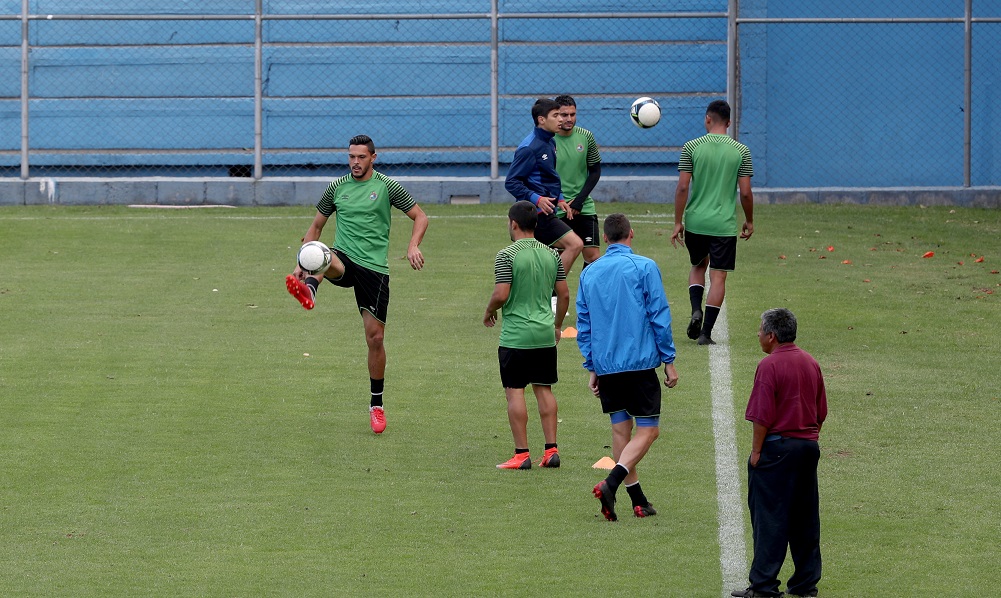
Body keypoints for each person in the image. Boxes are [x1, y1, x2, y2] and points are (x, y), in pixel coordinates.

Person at [285, 134, 429, 435]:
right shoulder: (337, 187)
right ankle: (310, 290)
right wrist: (301, 262)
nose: (355, 162)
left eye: (361, 157)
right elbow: (316, 227)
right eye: (351, 156)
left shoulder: (387, 186)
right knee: (321, 253)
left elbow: (420, 217)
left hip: (374, 269)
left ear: (373, 157)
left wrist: (413, 245)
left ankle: (376, 404)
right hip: (343, 258)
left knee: (375, 338)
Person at [576, 214, 679, 521]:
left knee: (621, 431)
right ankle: (611, 482)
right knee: (649, 430)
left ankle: (638, 501)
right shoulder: (644, 266)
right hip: (639, 364)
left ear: (605, 238)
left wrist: (592, 366)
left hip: (607, 367)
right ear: (631, 234)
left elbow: (584, 324)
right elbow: (658, 314)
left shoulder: (589, 272)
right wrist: (669, 361)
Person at [732, 308, 827, 598]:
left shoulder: (769, 366)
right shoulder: (810, 362)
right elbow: (820, 411)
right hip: (807, 448)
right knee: (805, 518)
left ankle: (763, 585)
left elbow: (762, 415)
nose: (758, 334)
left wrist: (756, 452)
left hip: (777, 450)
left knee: (769, 518)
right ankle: (805, 583)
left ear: (772, 335)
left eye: (760, 330)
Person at [483, 200, 570, 470]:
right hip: (544, 334)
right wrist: (556, 326)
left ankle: (521, 454)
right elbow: (564, 295)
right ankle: (551, 451)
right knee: (544, 390)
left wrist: (489, 310)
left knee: (515, 392)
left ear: (513, 224)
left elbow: (501, 294)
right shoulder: (552, 254)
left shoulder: (506, 255)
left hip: (516, 336)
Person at [670, 99, 754, 346]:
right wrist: (749, 220)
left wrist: (678, 222)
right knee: (718, 277)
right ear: (729, 122)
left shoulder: (691, 147)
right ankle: (705, 333)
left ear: (708, 119)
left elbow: (682, 187)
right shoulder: (741, 151)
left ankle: (696, 309)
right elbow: (746, 193)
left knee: (698, 265)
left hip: (696, 221)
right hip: (723, 225)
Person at [505, 98, 584, 279]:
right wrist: (537, 199)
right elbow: (511, 182)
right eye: (556, 116)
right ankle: (551, 290)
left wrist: (560, 198)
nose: (561, 120)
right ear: (541, 120)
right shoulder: (529, 148)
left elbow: (549, 177)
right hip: (536, 214)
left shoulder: (550, 142)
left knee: (547, 259)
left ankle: (545, 291)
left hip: (548, 210)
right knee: (575, 245)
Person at [553, 95, 602, 269]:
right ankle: (554, 288)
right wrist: (558, 200)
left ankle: (586, 288)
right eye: (564, 115)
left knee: (593, 257)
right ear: (556, 115)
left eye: (572, 114)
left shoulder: (586, 136)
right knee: (557, 257)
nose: (569, 119)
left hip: (583, 205)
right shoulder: (548, 140)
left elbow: (595, 171)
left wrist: (580, 200)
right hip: (557, 207)